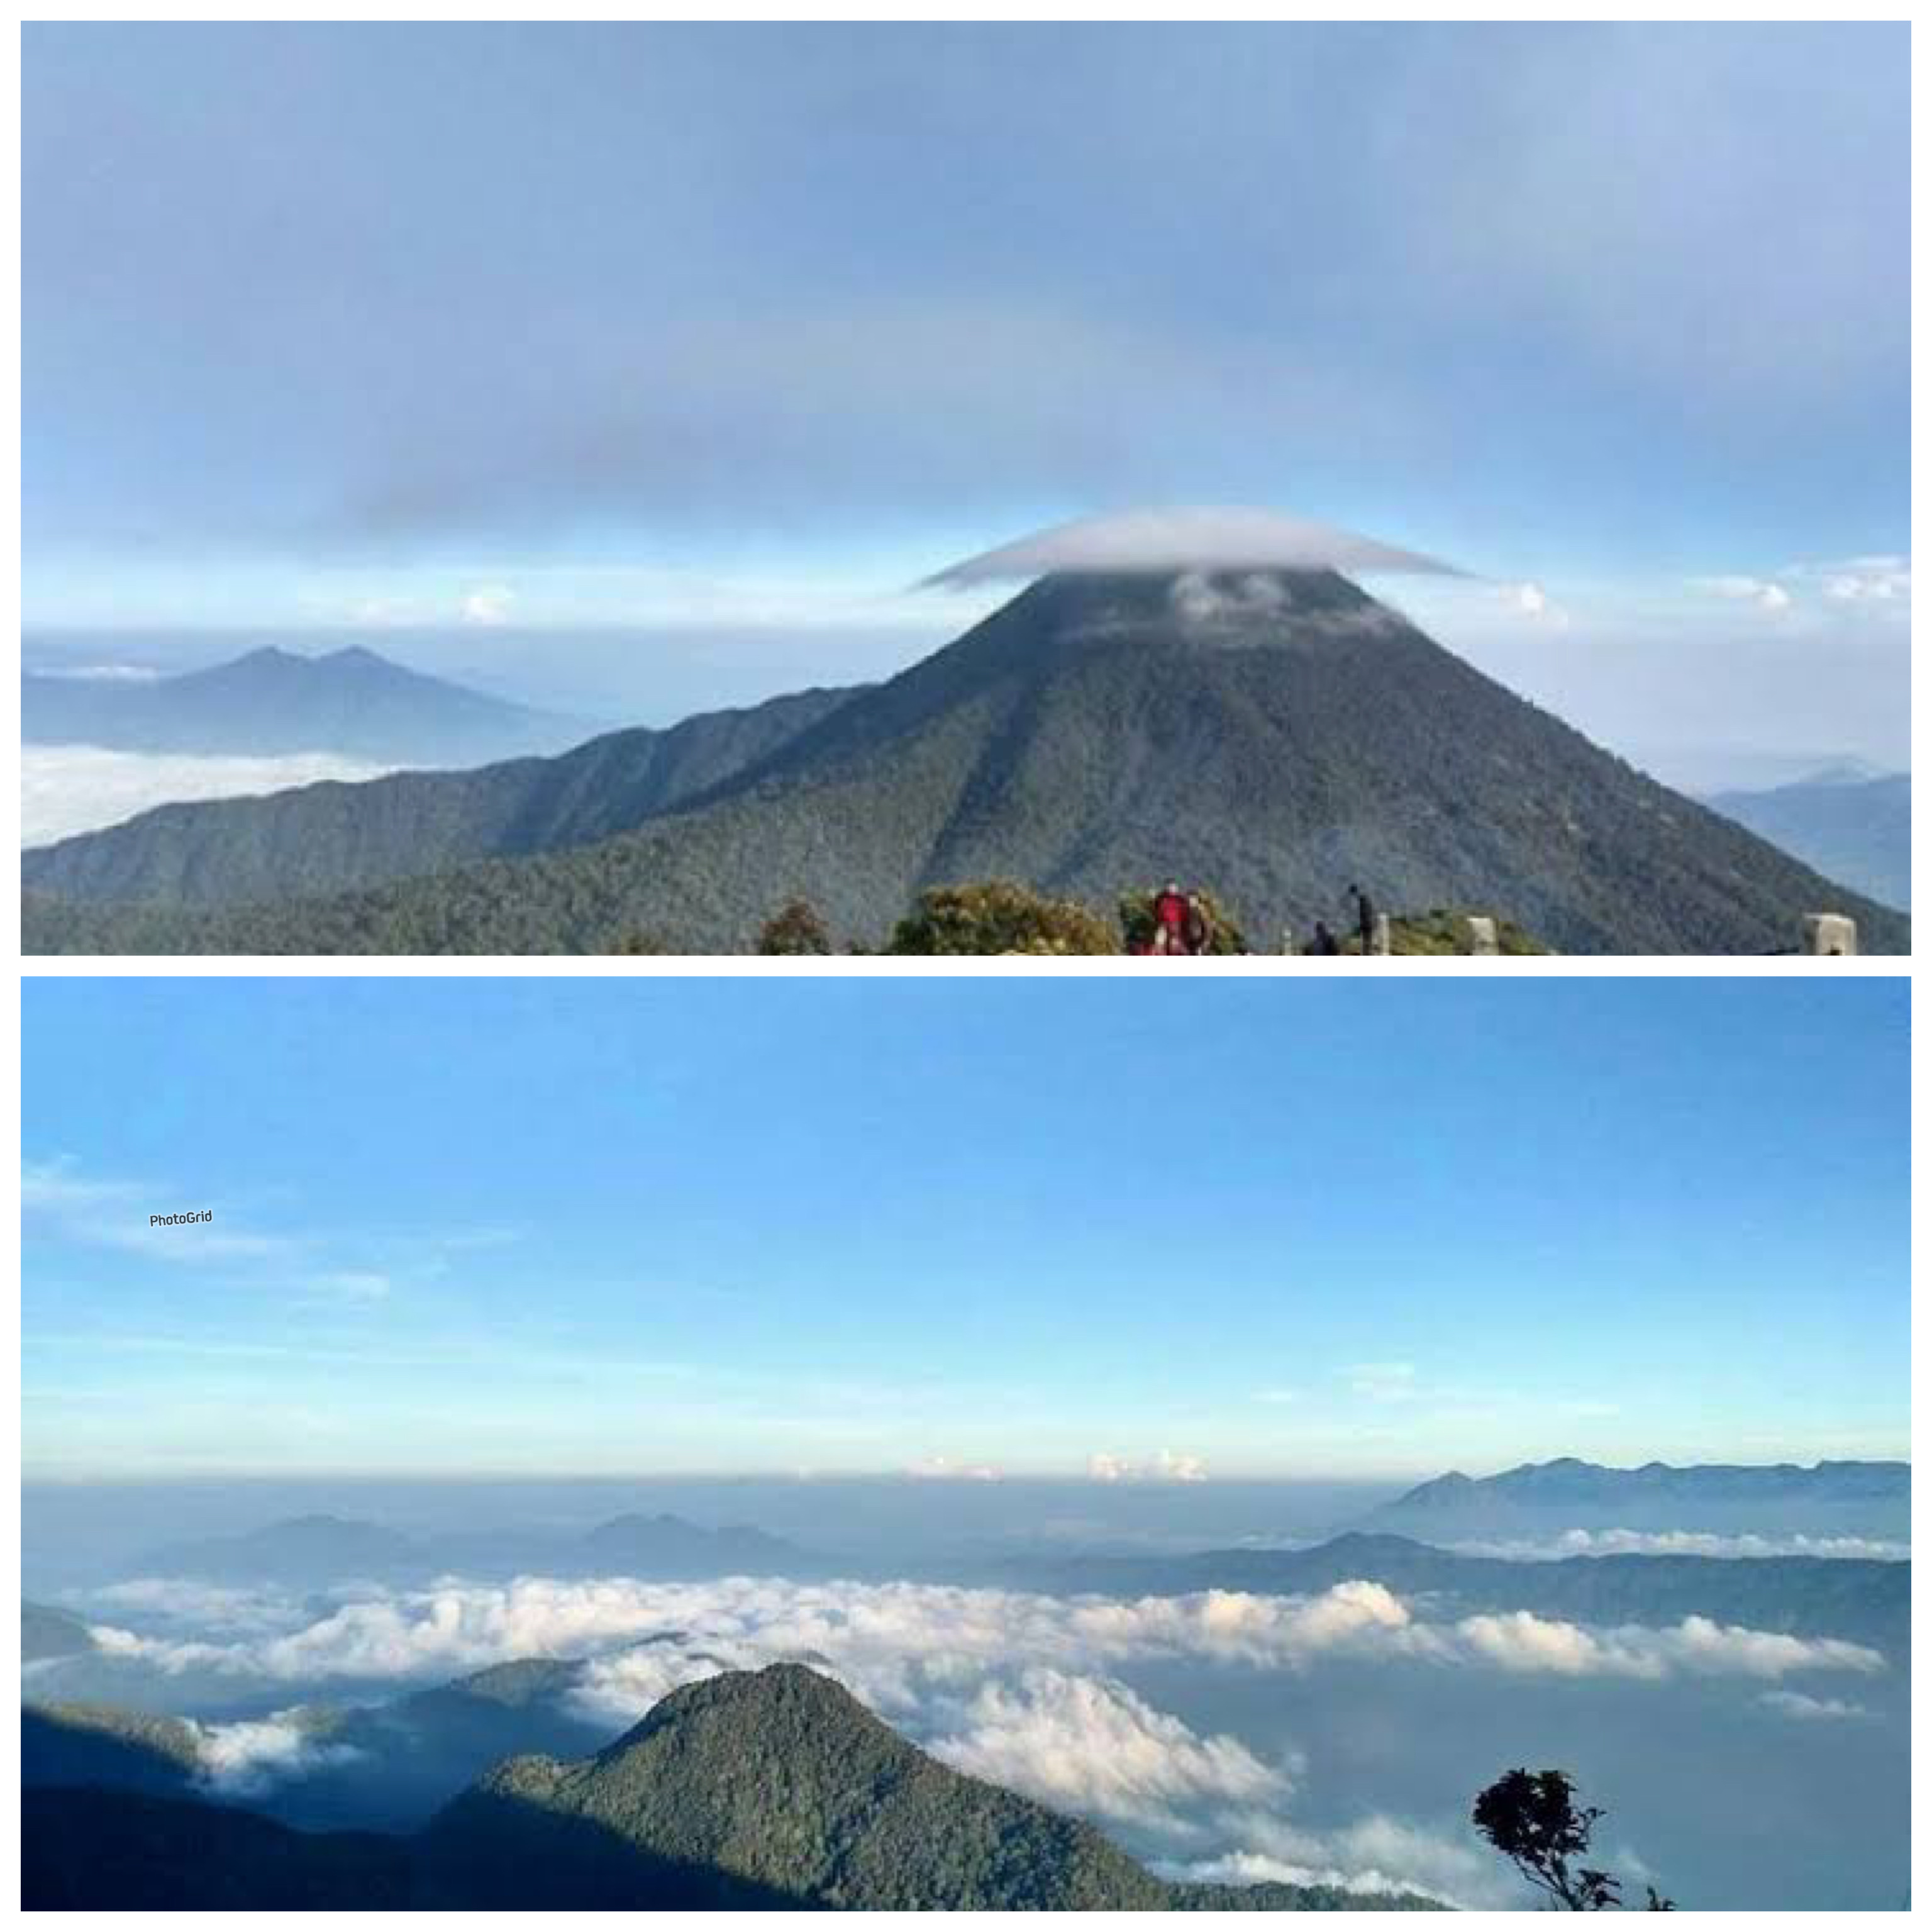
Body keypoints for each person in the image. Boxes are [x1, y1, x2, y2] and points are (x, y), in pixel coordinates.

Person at [1152, 880, 1189, 955]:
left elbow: (1185, 913)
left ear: (1177, 888)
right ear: (1166, 888)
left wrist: (1181, 926)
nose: (1171, 889)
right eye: (1169, 887)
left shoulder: (1181, 899)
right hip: (1163, 924)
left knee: (1174, 945)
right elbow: (1156, 910)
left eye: (1173, 887)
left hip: (1176, 925)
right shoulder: (1161, 898)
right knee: (1158, 942)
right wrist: (1159, 921)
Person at [1348, 882, 1377, 955]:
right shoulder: (1365, 900)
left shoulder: (1364, 903)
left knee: (1367, 944)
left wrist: (1362, 926)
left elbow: (1365, 916)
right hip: (1370, 924)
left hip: (1368, 926)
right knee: (1367, 943)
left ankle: (1368, 954)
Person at [1183, 892, 1213, 956]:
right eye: (1189, 899)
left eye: (1193, 899)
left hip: (1199, 942)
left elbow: (1208, 929)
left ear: (1197, 900)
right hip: (1188, 943)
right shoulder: (1186, 911)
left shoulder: (1202, 911)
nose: (1191, 901)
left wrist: (1204, 945)